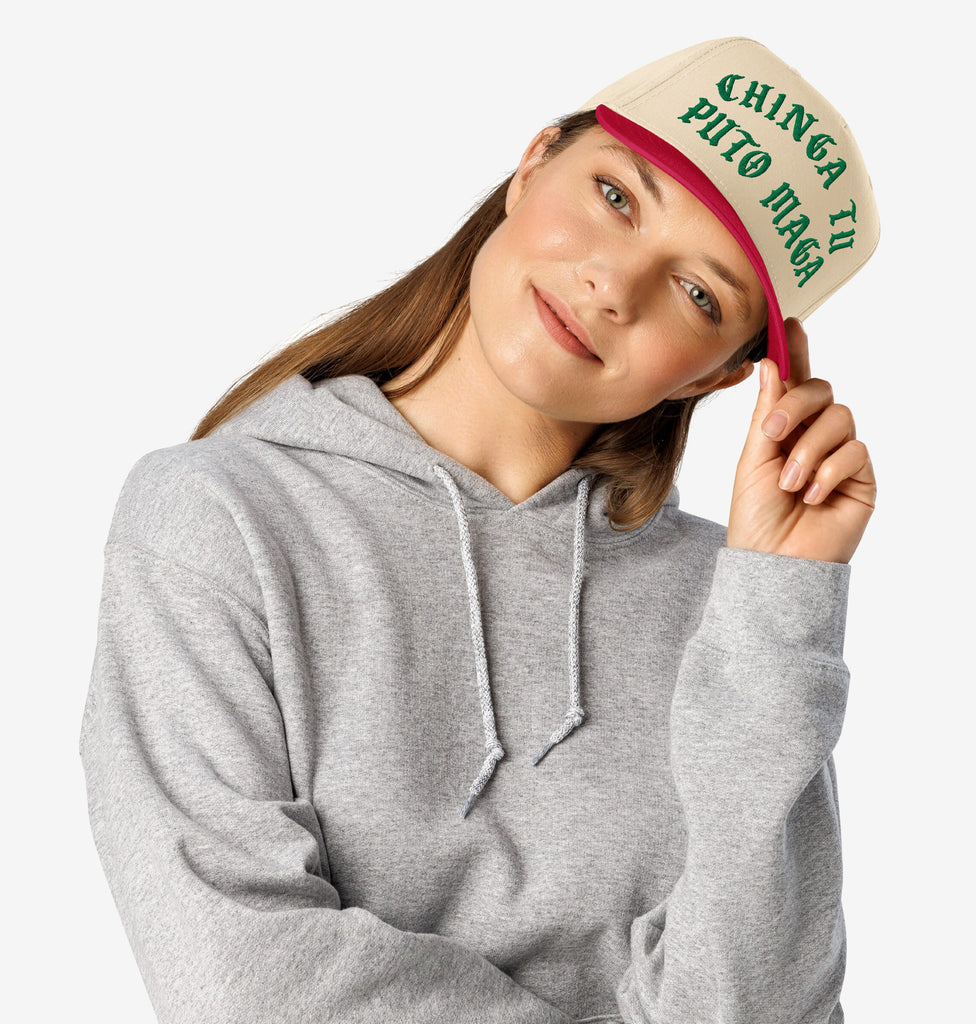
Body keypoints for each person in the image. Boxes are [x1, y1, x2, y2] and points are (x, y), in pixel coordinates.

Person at [79, 36, 879, 1024]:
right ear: (535, 159)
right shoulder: (220, 519)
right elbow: (236, 977)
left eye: (696, 292)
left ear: (717, 375)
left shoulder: (731, 608)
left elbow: (769, 1007)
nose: (612, 285)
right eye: (617, 196)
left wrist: (777, 607)